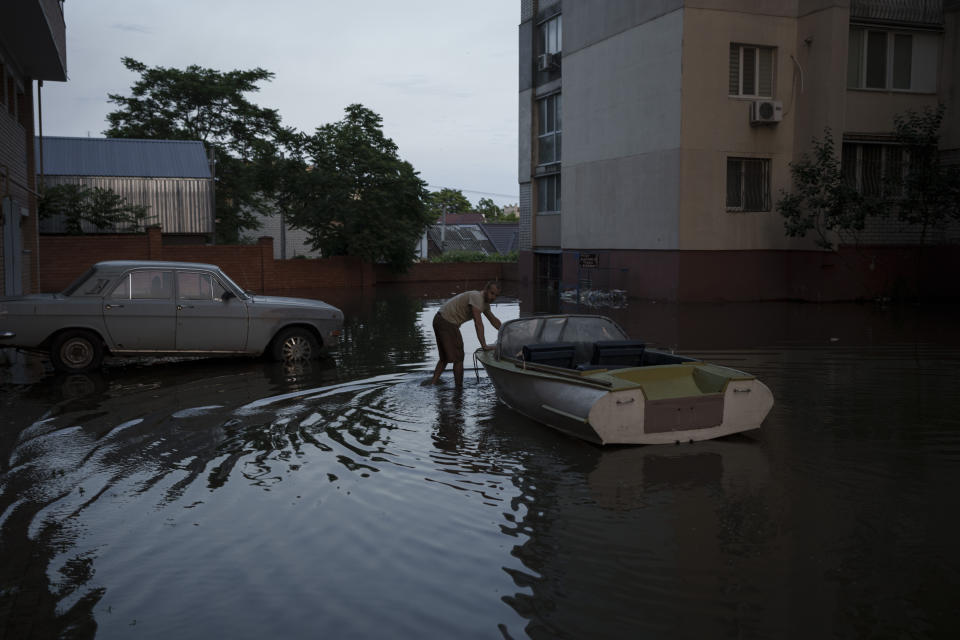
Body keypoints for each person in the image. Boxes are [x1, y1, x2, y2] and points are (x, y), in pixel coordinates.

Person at [425, 281, 502, 387]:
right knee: (459, 358)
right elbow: (478, 323)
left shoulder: (484, 303)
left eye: (496, 295)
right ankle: (459, 390)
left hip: (439, 319)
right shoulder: (477, 298)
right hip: (447, 322)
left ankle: (432, 384)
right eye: (492, 293)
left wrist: (506, 332)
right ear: (486, 290)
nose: (493, 297)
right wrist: (484, 345)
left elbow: (493, 320)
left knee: (444, 358)